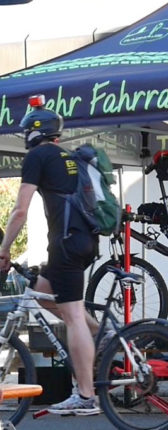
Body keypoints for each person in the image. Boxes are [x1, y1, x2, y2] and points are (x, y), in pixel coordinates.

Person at [0, 101, 101, 415]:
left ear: (33, 133)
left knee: (71, 316)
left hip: (67, 244)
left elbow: (19, 210)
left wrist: (4, 249)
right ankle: (101, 333)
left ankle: (85, 395)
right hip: (82, 241)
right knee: (44, 295)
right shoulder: (68, 156)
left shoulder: (36, 156)